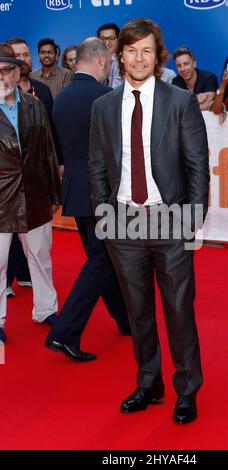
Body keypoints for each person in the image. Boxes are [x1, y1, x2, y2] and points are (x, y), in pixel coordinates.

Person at [89, 19, 209, 424]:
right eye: (130, 50)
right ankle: (149, 383)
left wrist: (191, 220)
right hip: (122, 225)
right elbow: (96, 167)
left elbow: (198, 166)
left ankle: (187, 388)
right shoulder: (102, 107)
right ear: (118, 55)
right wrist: (105, 215)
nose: (138, 59)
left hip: (170, 220)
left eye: (146, 51)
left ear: (158, 56)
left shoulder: (180, 102)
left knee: (178, 311)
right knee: (137, 311)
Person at [45, 38, 130, 362]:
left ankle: (125, 321)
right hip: (101, 192)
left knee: (102, 257)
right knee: (102, 260)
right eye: (108, 64)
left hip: (77, 193)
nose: (108, 70)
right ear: (98, 61)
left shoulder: (62, 98)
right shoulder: (105, 98)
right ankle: (64, 333)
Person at [0, 43, 61, 343]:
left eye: (7, 70)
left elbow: (48, 152)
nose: (2, 77)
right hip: (0, 200)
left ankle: (46, 309)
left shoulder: (34, 104)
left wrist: (53, 194)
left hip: (35, 195)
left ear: (16, 71)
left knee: (40, 255)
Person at [172, 46, 218, 110]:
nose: (183, 69)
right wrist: (195, 99)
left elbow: (206, 106)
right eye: (179, 66)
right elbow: (176, 108)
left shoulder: (209, 78)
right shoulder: (176, 82)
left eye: (186, 64)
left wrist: (185, 104)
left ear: (194, 64)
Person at [97, 23, 122, 88]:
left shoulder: (122, 61)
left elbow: (116, 91)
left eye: (111, 38)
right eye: (103, 39)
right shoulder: (95, 60)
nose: (107, 43)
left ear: (119, 39)